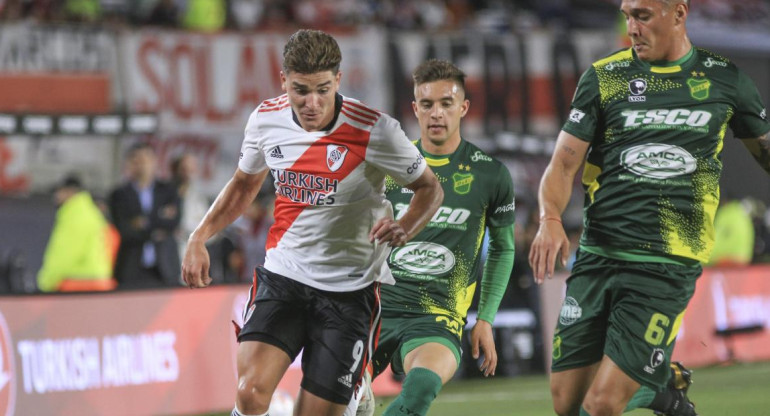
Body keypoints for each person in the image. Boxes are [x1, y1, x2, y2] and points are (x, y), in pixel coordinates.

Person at [181, 29, 443, 416]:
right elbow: (243, 184)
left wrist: (406, 225)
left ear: (338, 80)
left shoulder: (375, 129)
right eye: (301, 90)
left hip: (349, 289)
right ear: (283, 80)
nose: (312, 102)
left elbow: (429, 189)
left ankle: (356, 391)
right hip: (285, 276)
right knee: (250, 393)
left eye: (323, 89)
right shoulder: (266, 120)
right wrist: (199, 235)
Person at [528, 1, 770, 416]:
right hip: (597, 257)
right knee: (566, 402)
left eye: (642, 15)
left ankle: (646, 382)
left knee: (601, 404)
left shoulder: (725, 80)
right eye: (627, 15)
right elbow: (563, 164)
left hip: (666, 265)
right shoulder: (605, 78)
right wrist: (549, 218)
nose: (632, 27)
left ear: (678, 13)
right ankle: (660, 390)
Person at [348, 59, 516, 416]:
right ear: (414, 108)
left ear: (463, 108)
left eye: (446, 103)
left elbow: (503, 248)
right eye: (427, 104)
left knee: (421, 389)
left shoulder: (491, 175)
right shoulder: (387, 167)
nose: (436, 113)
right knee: (333, 400)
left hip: (437, 316)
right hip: (375, 307)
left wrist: (485, 318)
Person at [110, 142, 182, 289]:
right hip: (130, 268)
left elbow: (173, 223)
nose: (142, 165)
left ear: (154, 161)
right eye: (137, 160)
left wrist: (142, 223)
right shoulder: (119, 195)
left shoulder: (168, 191)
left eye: (145, 159)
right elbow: (125, 230)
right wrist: (157, 225)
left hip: (164, 268)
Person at [37, 175, 116, 292]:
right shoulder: (90, 212)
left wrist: (45, 283)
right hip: (97, 282)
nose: (56, 196)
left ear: (70, 191)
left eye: (60, 191)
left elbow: (64, 254)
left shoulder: (75, 215)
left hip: (79, 284)